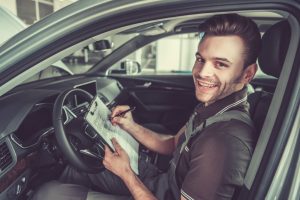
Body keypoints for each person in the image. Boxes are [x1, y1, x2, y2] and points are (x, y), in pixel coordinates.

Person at [33, 13, 261, 200]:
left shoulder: (223, 142)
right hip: (161, 183)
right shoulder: (213, 106)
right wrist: (130, 126)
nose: (202, 72)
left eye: (220, 64)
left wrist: (126, 173)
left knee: (49, 194)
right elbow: (172, 144)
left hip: (158, 194)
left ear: (247, 74)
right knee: (76, 169)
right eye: (201, 59)